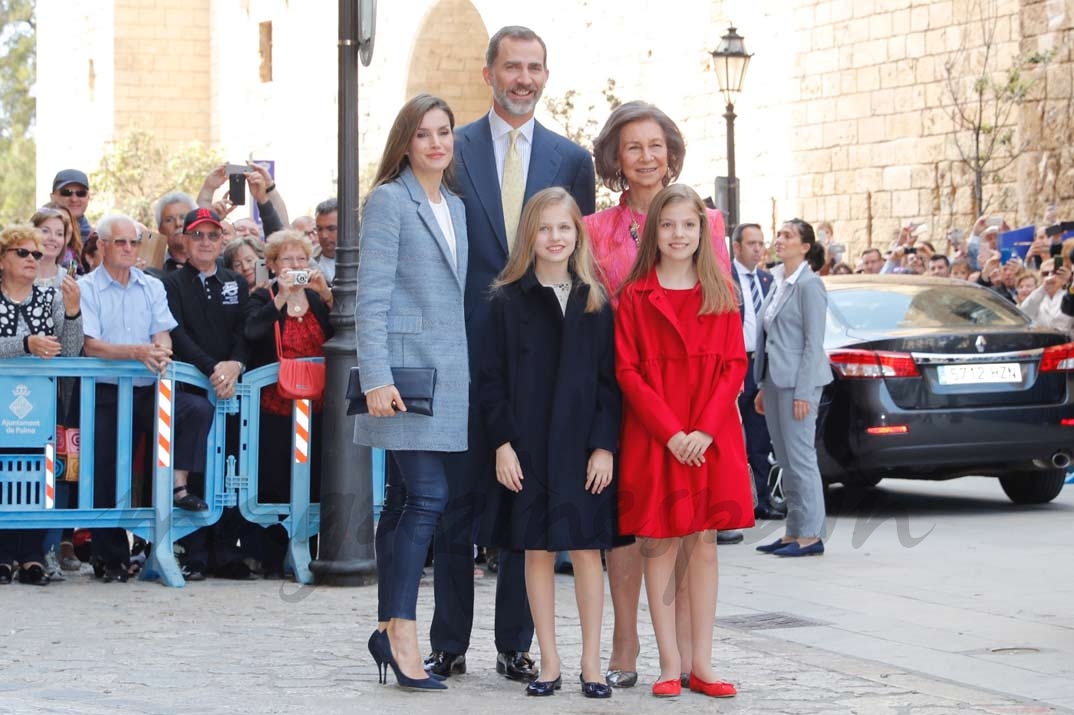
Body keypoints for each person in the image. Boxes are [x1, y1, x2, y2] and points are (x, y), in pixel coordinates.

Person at [425, 25, 596, 683]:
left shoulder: (570, 160)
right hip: (461, 351)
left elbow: (572, 259)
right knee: (454, 502)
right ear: (488, 71)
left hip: (538, 365)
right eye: (512, 66)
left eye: (534, 68)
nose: (523, 78)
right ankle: (448, 642)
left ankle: (514, 642)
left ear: (544, 76)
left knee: (527, 504)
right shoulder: (451, 149)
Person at [582, 100, 730, 689]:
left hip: (691, 395)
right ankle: (627, 641)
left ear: (670, 152)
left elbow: (717, 310)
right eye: (632, 147)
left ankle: (695, 657)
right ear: (616, 158)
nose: (646, 157)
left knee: (692, 526)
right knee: (628, 524)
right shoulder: (596, 229)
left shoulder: (707, 222)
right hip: (622, 382)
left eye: (655, 145)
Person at [478, 188, 619, 698]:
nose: (555, 237)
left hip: (583, 452)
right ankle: (549, 663)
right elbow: (490, 380)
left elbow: (610, 382)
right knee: (535, 550)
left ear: (577, 233)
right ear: (529, 236)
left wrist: (604, 445)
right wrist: (503, 444)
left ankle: (591, 663)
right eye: (544, 228)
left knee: (585, 551)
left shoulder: (596, 300)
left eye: (564, 227)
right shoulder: (507, 300)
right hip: (528, 448)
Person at [614, 184, 753, 698]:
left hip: (709, 438)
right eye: (668, 225)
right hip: (658, 438)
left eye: (688, 226)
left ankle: (703, 663)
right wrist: (672, 433)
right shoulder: (634, 296)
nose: (678, 234)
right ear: (654, 232)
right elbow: (628, 372)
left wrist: (703, 431)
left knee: (704, 546)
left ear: (702, 232)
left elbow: (734, 367)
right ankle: (669, 662)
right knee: (660, 545)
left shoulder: (720, 293)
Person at [356, 94, 468, 692]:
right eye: (423, 134)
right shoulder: (389, 201)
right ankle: (402, 630)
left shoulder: (454, 204)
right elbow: (371, 297)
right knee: (428, 496)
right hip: (400, 377)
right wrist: (376, 376)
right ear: (405, 142)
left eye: (444, 132)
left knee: (403, 499)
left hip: (444, 377)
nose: (435, 143)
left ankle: (385, 625)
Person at [80, 215, 214, 582]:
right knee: (105, 470)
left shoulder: (151, 286)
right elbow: (90, 346)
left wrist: (159, 351)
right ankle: (110, 558)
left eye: (134, 243)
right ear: (102, 245)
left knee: (196, 410)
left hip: (147, 388)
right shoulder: (86, 287)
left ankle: (178, 487)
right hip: (104, 391)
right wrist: (138, 352)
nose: (128, 249)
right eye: (120, 242)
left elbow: (164, 334)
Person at [163, 207, 256, 580]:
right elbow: (176, 332)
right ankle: (194, 551)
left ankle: (223, 550)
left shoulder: (236, 281)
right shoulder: (171, 282)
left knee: (233, 466)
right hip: (193, 386)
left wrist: (234, 364)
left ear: (222, 241)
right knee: (198, 467)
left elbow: (246, 329)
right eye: (197, 235)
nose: (204, 242)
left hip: (230, 388)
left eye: (212, 235)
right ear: (184, 240)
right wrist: (212, 369)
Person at [244, 229, 333, 577]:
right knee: (272, 476)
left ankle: (306, 548)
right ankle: (267, 554)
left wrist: (325, 293)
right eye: (287, 260)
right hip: (274, 404)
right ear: (272, 264)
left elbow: (343, 330)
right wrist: (280, 298)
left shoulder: (317, 298)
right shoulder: (261, 297)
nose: (295, 266)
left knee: (312, 479)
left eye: (301, 259)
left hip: (316, 404)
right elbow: (251, 333)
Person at [0, 225, 83, 586]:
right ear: (3, 259)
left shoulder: (49, 296)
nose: (33, 259)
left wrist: (73, 311)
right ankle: (2, 555)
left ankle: (32, 554)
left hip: (43, 403)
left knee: (39, 472)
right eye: (23, 253)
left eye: (36, 254)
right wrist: (26, 344)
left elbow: (70, 347)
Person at [754, 219, 833, 558]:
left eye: (787, 236)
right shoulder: (779, 280)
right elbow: (770, 335)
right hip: (774, 379)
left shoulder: (809, 285)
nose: (779, 240)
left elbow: (814, 343)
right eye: (779, 234)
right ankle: (793, 531)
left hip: (800, 383)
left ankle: (811, 534)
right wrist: (761, 384)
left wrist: (803, 391)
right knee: (785, 459)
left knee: (801, 458)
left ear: (804, 247)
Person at [731, 223, 782, 521]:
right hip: (736, 361)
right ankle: (738, 504)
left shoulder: (767, 279)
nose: (757, 249)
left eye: (761, 243)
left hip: (760, 363)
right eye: (751, 243)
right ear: (736, 247)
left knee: (759, 437)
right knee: (736, 437)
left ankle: (761, 500)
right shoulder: (726, 278)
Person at [1021, 259, 1074, 335]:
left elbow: (1064, 323)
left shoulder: (1070, 297)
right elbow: (1025, 312)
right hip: (1042, 342)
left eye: (1054, 273)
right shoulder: (1037, 296)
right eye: (1045, 274)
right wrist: (1043, 288)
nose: (1050, 277)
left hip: (1066, 343)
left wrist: (1070, 281)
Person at [155, 192, 197, 272]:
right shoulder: (153, 271)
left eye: (183, 217)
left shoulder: (215, 264)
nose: (178, 224)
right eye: (169, 220)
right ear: (160, 230)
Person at [50, 169, 93, 240]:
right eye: (66, 193)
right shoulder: (35, 236)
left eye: (81, 193)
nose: (74, 199)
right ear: (53, 197)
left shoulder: (98, 240)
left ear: (88, 197)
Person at [313, 200, 338, 283]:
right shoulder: (306, 262)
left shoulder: (367, 259)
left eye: (331, 229)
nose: (324, 235)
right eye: (319, 229)